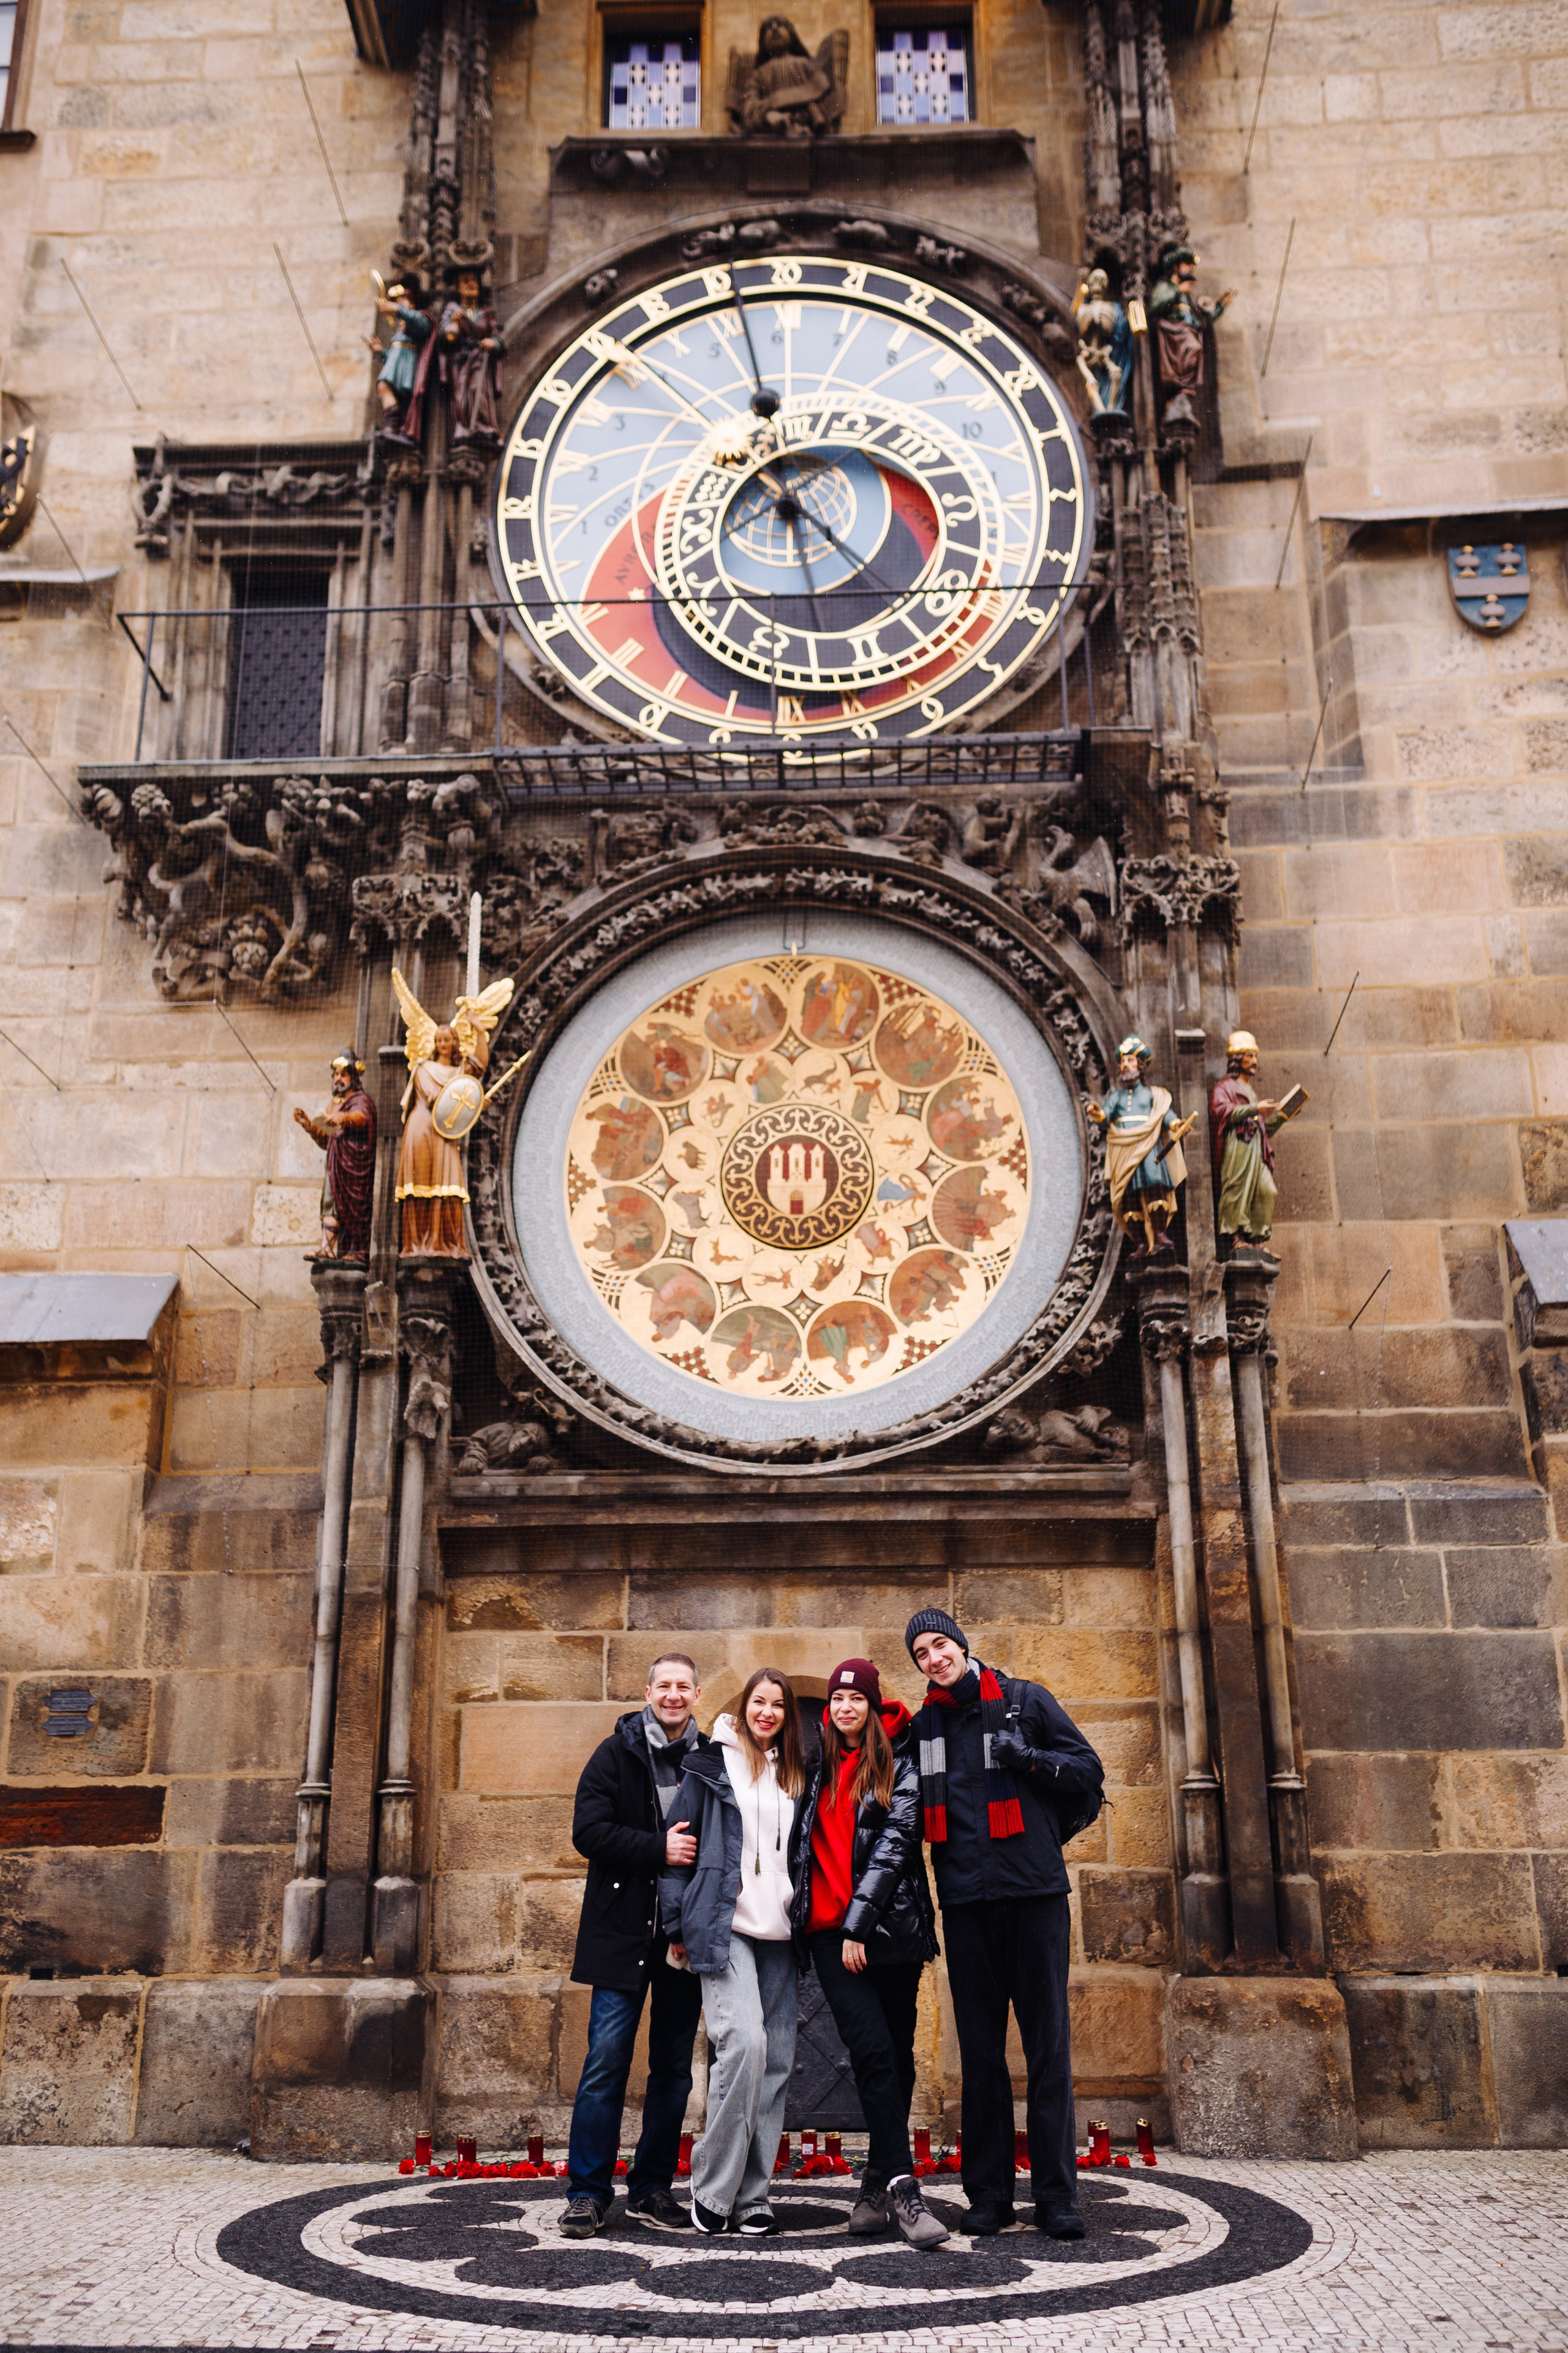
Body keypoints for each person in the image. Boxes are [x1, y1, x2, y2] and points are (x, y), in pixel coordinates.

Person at [905, 1607, 1104, 2240]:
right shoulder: (924, 1727)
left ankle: (1055, 2195)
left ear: (962, 1645)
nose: (934, 1658)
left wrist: (1028, 1759)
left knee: (1048, 2048)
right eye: (921, 1653)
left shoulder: (1025, 1701)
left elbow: (1088, 1772)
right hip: (966, 1902)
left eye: (940, 1644)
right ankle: (988, 2194)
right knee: (981, 2053)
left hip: (1035, 1894)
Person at [788, 1658, 948, 2250]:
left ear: (873, 1706)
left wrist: (861, 1924)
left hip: (892, 1931)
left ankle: (874, 2183)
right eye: (837, 1698)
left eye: (856, 1698)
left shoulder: (900, 1762)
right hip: (833, 1936)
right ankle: (906, 2190)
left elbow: (896, 1845)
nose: (845, 1707)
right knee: (873, 2051)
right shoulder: (815, 1767)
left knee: (898, 2058)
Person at [559, 1654, 709, 2239]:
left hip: (682, 1938)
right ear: (648, 1692)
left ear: (696, 1694)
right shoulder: (614, 1753)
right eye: (663, 1685)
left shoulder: (711, 1760)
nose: (673, 1695)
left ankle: (651, 2188)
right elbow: (588, 1831)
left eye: (683, 1686)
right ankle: (586, 2193)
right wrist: (657, 1847)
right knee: (605, 2063)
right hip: (621, 1934)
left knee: (673, 2070)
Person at [660, 1667, 805, 2236]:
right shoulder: (710, 1764)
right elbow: (678, 1848)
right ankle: (713, 2189)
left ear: (788, 1716)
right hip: (726, 1927)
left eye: (778, 1705)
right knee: (744, 2042)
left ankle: (753, 2196)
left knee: (775, 2062)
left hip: (783, 1934)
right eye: (759, 1701)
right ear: (744, 1706)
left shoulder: (797, 1771)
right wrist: (676, 1921)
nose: (767, 1712)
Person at [1086, 1033, 1193, 1259]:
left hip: (1148, 1146)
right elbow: (1105, 1116)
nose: (1125, 1065)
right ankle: (1141, 1243)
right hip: (1124, 1148)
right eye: (1123, 1061)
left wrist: (1176, 1124)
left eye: (1130, 1061)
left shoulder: (1153, 1094)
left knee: (1156, 1187)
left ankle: (1160, 1235)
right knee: (1129, 1196)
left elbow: (1165, 1115)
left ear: (1140, 1066)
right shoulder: (1116, 1097)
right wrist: (1097, 1113)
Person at [293, 1047, 376, 1260]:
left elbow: (361, 1118)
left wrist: (344, 1117)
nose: (338, 1079)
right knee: (330, 1203)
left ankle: (357, 1252)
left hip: (353, 1167)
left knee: (352, 1207)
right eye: (336, 1074)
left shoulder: (361, 1100)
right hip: (335, 1164)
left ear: (353, 1078)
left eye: (343, 1074)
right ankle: (327, 1248)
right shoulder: (334, 1105)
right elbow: (326, 1141)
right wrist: (308, 1125)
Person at [1208, 1028, 1281, 1252]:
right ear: (1237, 1059)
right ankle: (1236, 1237)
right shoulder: (1224, 1087)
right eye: (1249, 1056)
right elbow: (1222, 1111)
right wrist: (1255, 1108)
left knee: (1267, 1190)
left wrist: (1282, 1117)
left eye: (1255, 1056)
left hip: (1256, 1148)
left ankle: (1258, 1238)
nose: (1254, 1061)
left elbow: (1260, 1128)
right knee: (1237, 1188)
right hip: (1238, 1146)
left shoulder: (1250, 1090)